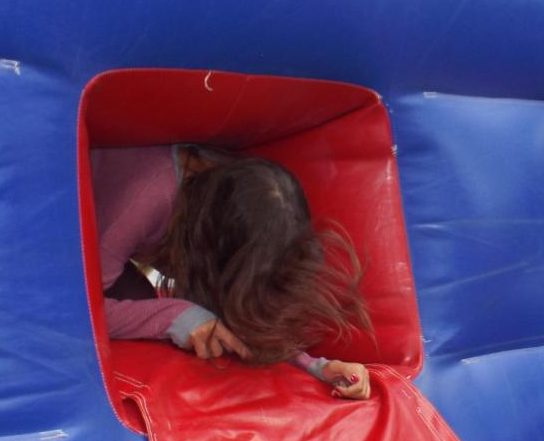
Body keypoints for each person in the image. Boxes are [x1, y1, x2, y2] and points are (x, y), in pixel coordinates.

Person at [91, 144, 372, 399]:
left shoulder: (248, 198)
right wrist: (173, 317)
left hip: (119, 251)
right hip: (77, 247)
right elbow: (81, 310)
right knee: (162, 314)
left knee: (182, 317)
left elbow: (243, 308)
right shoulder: (144, 200)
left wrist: (316, 367)